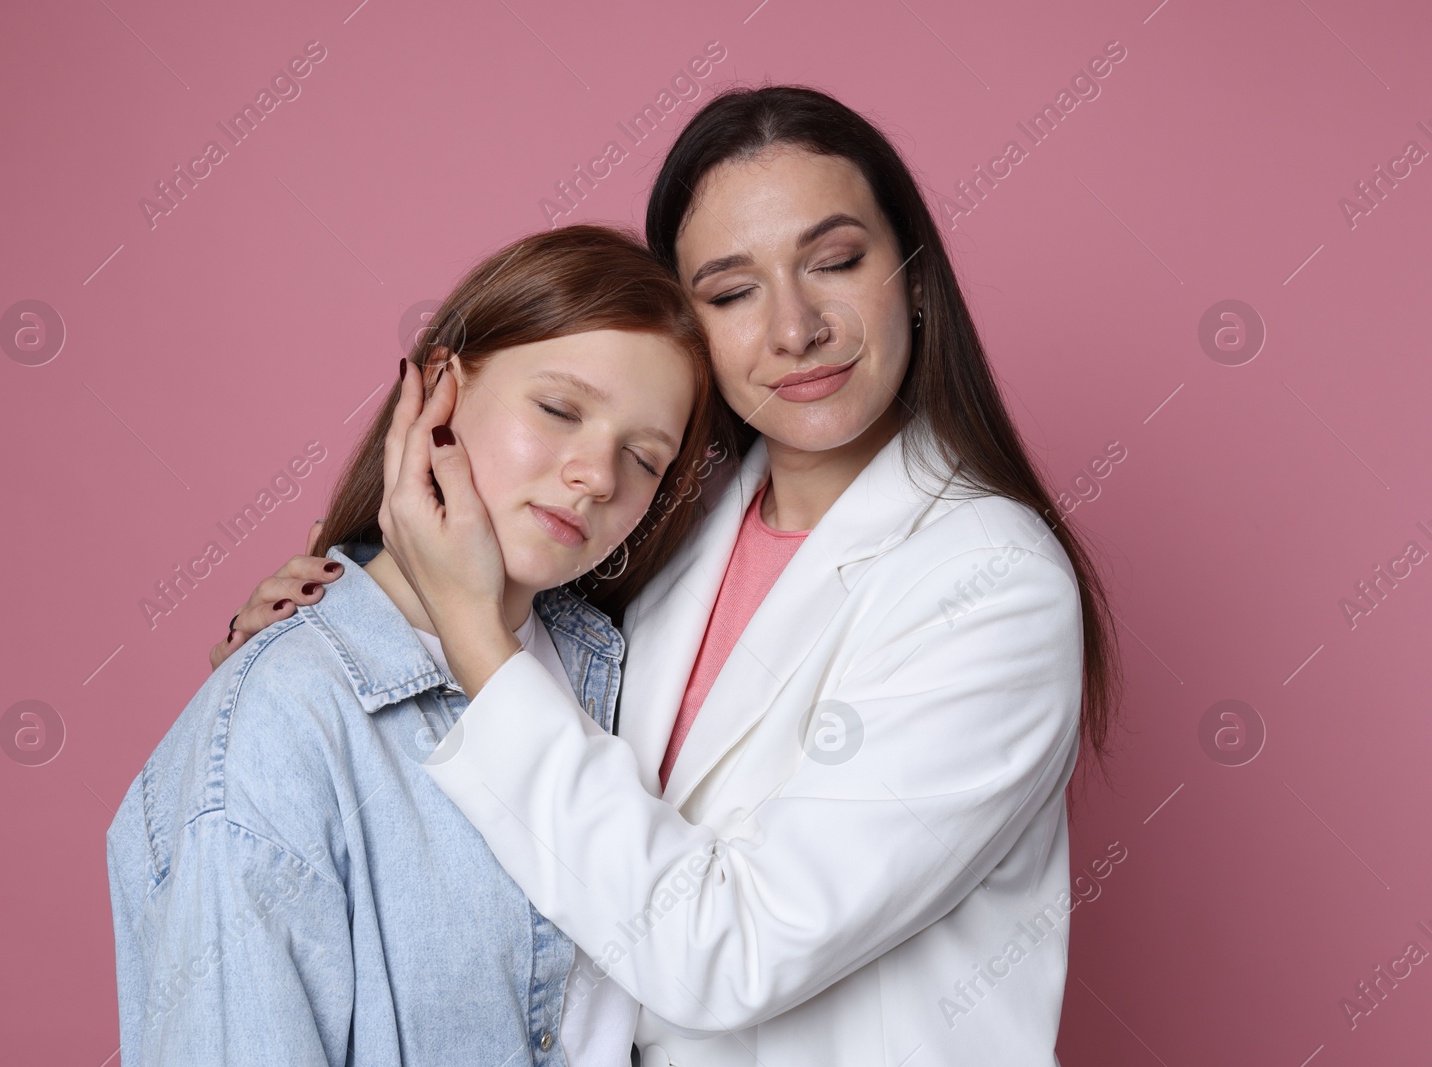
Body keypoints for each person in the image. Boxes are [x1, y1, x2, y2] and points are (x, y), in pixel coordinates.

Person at [219, 86, 1122, 1066]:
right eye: (732, 292)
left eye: (834, 262)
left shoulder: (993, 583)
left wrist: (467, 628)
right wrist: (350, 620)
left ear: (910, 275)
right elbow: (514, 797)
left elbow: (727, 954)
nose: (793, 328)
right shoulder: (660, 529)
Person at [105, 224, 725, 1066]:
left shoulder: (623, 676)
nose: (596, 474)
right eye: (558, 409)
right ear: (439, 391)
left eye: (644, 457)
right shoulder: (282, 723)